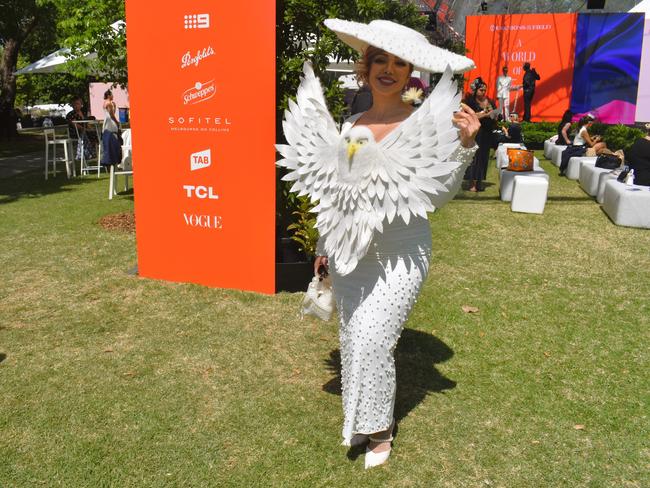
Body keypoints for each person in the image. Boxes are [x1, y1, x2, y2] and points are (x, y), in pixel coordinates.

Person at [278, 18, 480, 469]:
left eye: (399, 63)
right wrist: (323, 248)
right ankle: (358, 420)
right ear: (365, 68)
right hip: (351, 251)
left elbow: (439, 195)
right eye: (380, 60)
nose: (388, 69)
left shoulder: (425, 124)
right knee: (353, 335)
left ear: (411, 74)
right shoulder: (350, 126)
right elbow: (339, 194)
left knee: (374, 338)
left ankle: (379, 430)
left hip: (403, 250)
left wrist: (464, 147)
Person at [464, 77, 497, 192]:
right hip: (475, 132)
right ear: (475, 90)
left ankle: (479, 181)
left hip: (487, 132)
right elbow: (469, 116)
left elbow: (495, 114)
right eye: (481, 90)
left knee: (483, 156)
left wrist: (493, 115)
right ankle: (471, 182)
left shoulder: (490, 101)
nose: (483, 92)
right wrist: (484, 114)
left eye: (484, 90)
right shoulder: (470, 102)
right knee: (474, 156)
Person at [66, 96, 97, 161]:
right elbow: (75, 125)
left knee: (94, 132)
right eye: (74, 104)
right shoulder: (71, 114)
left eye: (77, 104)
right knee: (86, 134)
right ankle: (89, 153)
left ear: (81, 104)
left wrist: (90, 128)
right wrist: (85, 129)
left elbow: (86, 123)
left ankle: (94, 150)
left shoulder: (83, 113)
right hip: (75, 132)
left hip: (84, 131)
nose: (76, 105)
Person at [101, 90, 121, 167]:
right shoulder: (109, 103)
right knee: (113, 137)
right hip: (110, 122)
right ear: (109, 95)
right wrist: (117, 122)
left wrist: (114, 107)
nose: (113, 96)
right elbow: (112, 115)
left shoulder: (105, 103)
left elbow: (111, 113)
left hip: (107, 121)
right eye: (112, 95)